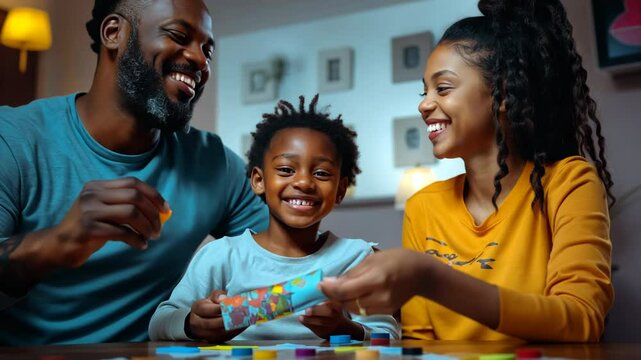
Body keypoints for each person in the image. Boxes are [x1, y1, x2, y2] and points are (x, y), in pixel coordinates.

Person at [320, 0, 614, 342]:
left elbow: (581, 318)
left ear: (503, 92)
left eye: (443, 88)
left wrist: (433, 279)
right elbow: (420, 341)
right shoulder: (423, 206)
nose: (424, 104)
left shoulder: (569, 182)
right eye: (424, 90)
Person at [0, 0, 268, 345]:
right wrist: (58, 243)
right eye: (178, 35)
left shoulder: (213, 163)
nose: (200, 60)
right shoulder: (14, 139)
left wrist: (205, 317)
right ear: (114, 33)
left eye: (207, 50)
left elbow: (288, 263)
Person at [148, 95, 401, 342]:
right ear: (258, 181)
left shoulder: (356, 258)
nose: (303, 182)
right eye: (286, 170)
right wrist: (193, 324)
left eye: (322, 173)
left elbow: (388, 335)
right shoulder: (222, 257)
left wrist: (345, 328)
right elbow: (160, 323)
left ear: (340, 191)